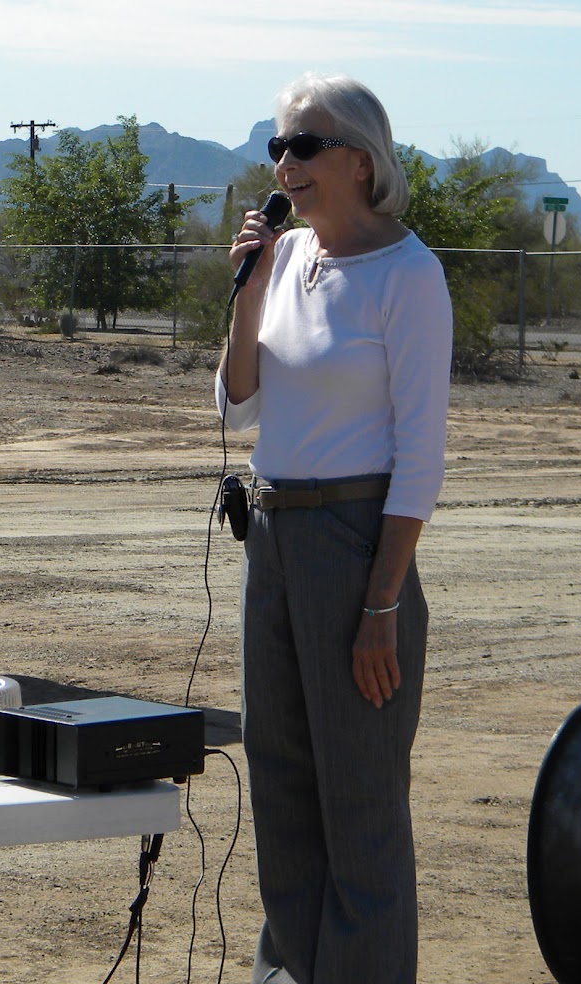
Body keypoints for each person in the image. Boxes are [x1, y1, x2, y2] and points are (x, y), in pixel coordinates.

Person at [216, 73, 451, 983]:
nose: (285, 164)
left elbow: (420, 459)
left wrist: (381, 604)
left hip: (356, 543)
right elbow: (240, 404)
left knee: (359, 804)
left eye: (304, 146)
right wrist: (249, 285)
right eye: (277, 147)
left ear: (360, 159)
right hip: (271, 534)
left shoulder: (409, 275)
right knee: (279, 783)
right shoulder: (288, 263)